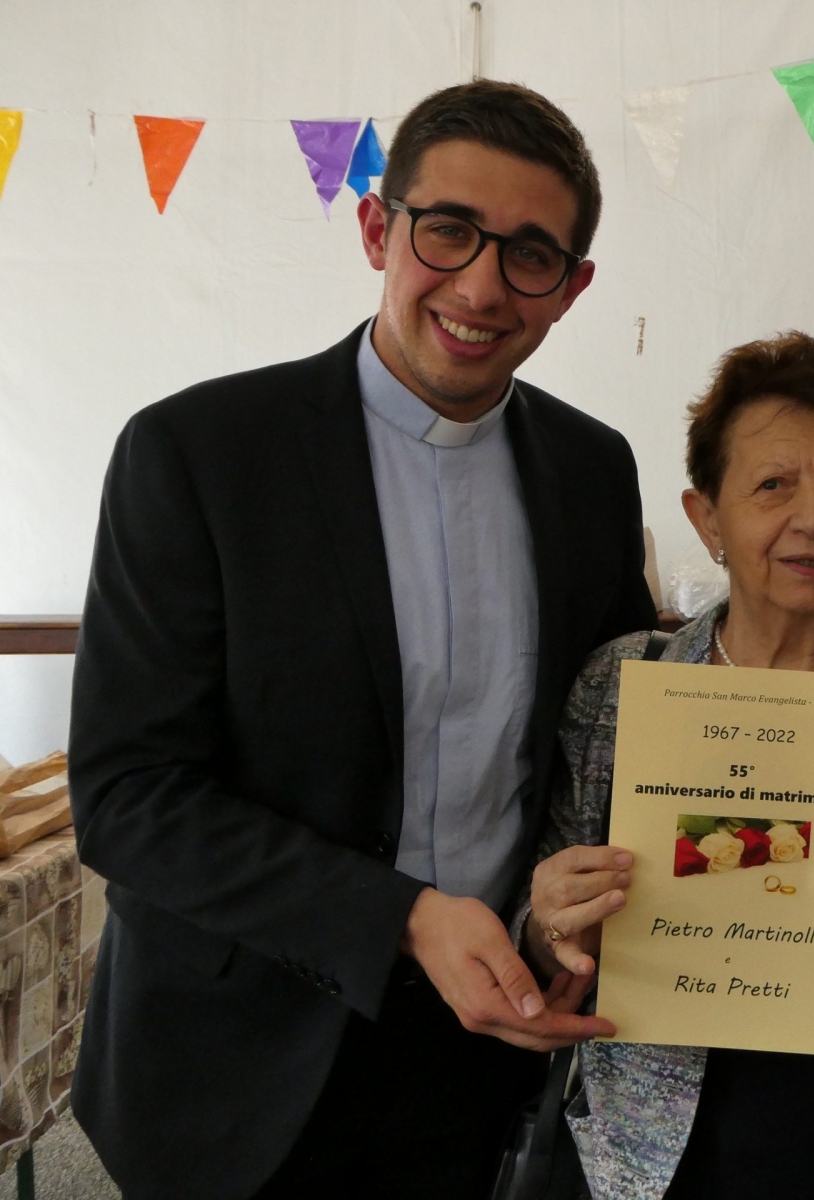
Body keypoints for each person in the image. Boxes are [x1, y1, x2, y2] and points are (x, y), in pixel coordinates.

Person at [67, 80, 656, 1199]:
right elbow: (129, 797)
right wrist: (404, 920)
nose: (480, 286)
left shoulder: (592, 470)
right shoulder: (199, 453)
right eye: (449, 231)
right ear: (379, 229)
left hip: (483, 1051)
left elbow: (607, 741)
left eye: (530, 254)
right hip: (233, 1059)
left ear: (571, 289)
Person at [522, 331, 814, 1200]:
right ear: (707, 519)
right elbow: (541, 930)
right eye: (772, 485)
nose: (813, 518)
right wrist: (555, 926)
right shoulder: (620, 685)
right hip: (647, 1161)